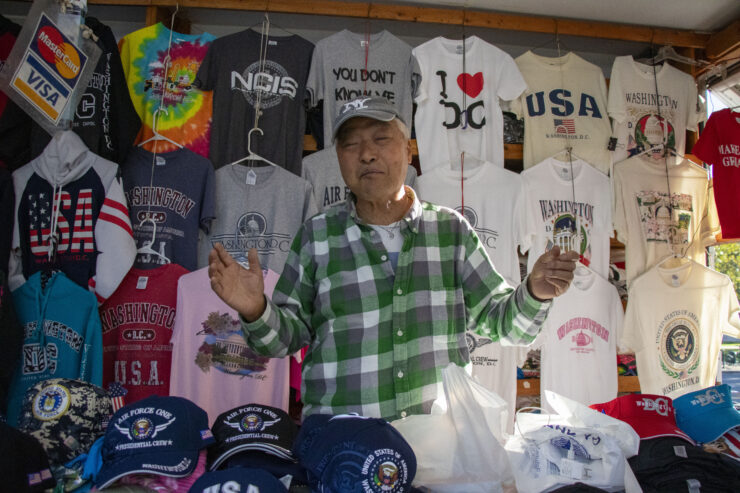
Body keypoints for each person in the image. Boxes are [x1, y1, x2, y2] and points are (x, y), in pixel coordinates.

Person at [209, 97, 579, 420]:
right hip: (344, 447)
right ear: (338, 160)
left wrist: (535, 292)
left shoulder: (450, 230)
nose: (367, 154)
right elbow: (282, 340)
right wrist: (256, 309)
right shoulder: (317, 236)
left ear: (408, 151)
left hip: (438, 442)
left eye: (381, 140)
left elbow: (504, 324)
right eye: (350, 144)